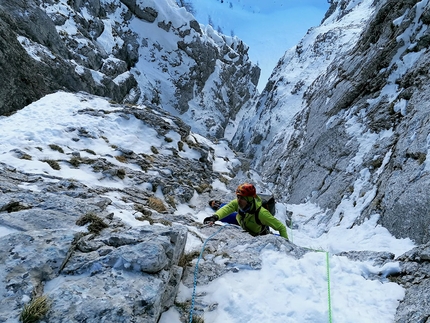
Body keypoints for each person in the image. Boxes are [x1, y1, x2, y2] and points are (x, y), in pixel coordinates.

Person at [204, 183, 289, 239]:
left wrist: (286, 245)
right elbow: (228, 208)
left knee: (275, 237)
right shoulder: (238, 203)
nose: (238, 200)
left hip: (258, 232)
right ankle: (219, 205)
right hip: (241, 220)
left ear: (249, 200)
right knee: (224, 212)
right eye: (238, 197)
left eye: (242, 198)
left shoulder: (262, 214)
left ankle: (220, 205)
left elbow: (281, 227)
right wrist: (214, 217)